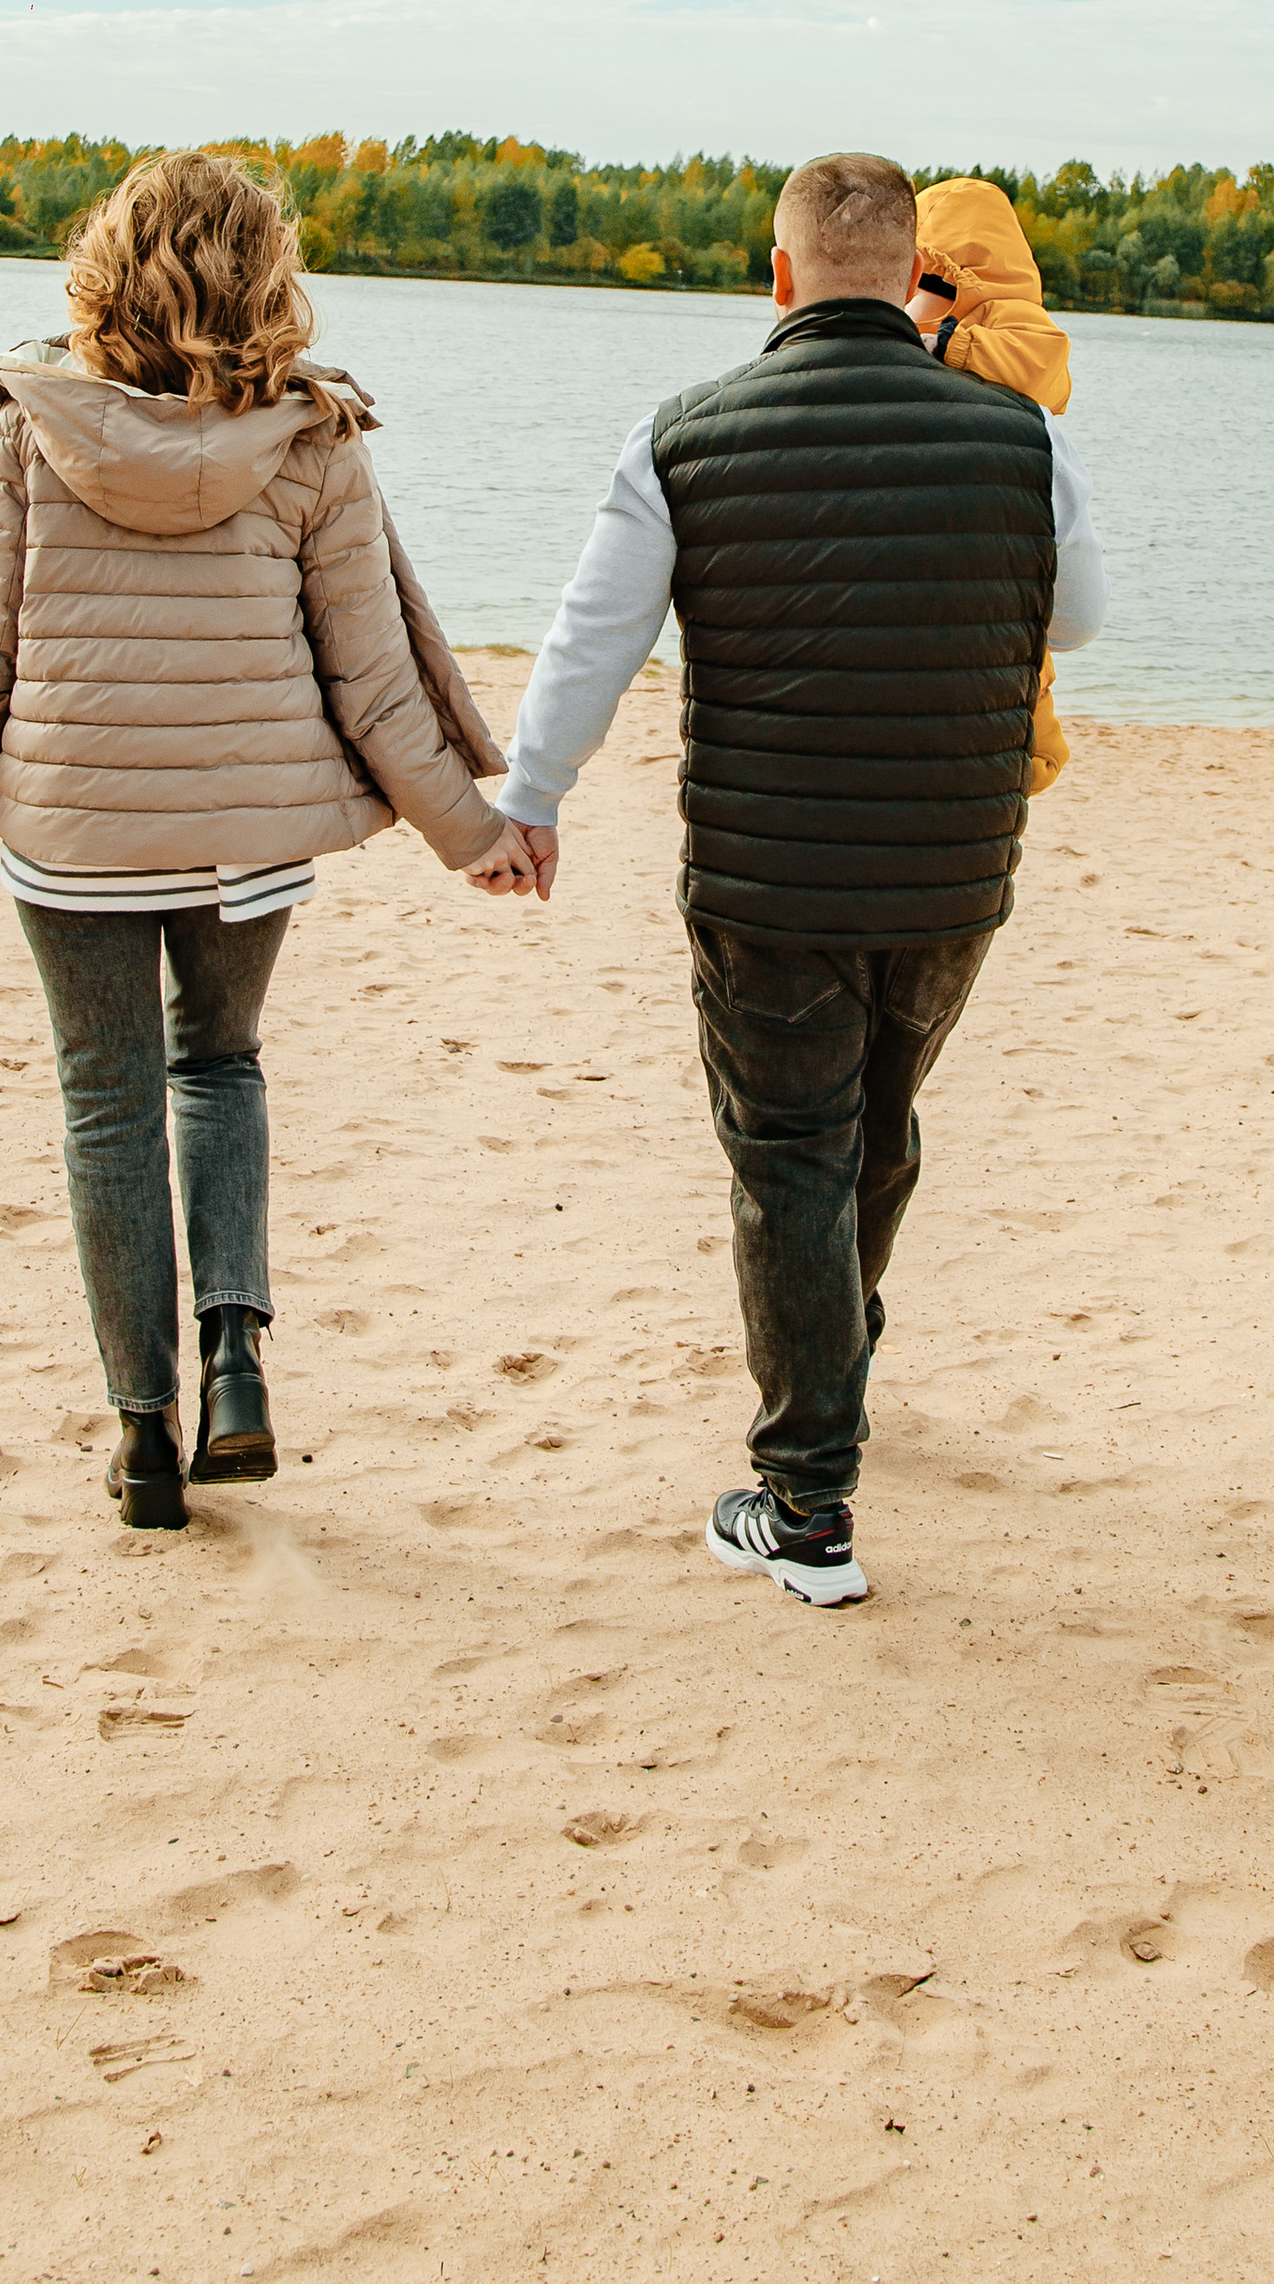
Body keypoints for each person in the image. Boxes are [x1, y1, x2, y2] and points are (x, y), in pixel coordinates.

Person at [0, 149, 541, 1534]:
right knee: (219, 1065)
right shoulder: (314, 438)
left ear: (107, 266)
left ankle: (140, 1437)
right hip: (249, 839)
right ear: (265, 276)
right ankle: (235, 1359)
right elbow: (374, 681)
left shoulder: (26, 425)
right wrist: (472, 834)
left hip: (76, 831)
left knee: (106, 1107)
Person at [498, 151, 1105, 1607]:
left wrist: (531, 798)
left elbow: (595, 639)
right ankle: (840, 1351)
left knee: (790, 1159)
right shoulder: (1022, 436)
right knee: (877, 1123)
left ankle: (808, 1503)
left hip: (767, 879)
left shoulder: (686, 435)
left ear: (776, 277)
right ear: (911, 278)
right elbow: (1078, 625)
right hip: (956, 866)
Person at [910, 175, 1075, 795]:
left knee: (1017, 653)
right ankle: (1027, 747)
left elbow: (1043, 367)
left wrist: (943, 339)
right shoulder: (932, 315)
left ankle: (1032, 749)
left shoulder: (1012, 324)